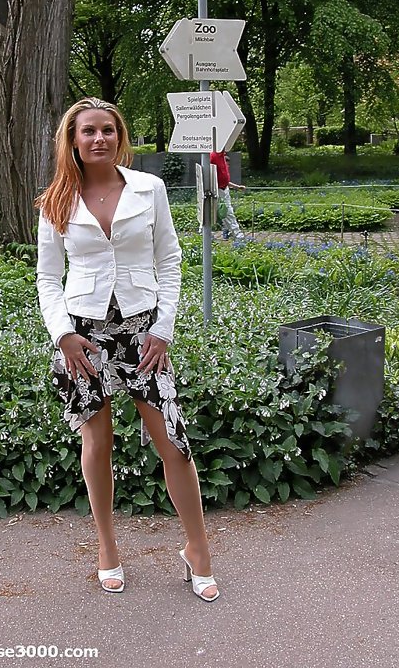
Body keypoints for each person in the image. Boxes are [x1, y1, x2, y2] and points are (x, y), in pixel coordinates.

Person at [35, 97, 219, 602]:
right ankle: (107, 547)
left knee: (173, 441)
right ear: (73, 140)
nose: (100, 139)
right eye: (89, 131)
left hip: (143, 334)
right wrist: (62, 335)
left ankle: (197, 548)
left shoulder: (148, 188)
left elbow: (171, 259)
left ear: (120, 137)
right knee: (97, 443)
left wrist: (164, 328)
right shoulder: (56, 200)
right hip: (82, 337)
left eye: (108, 130)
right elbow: (48, 278)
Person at [209, 150, 245, 240]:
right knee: (214, 211)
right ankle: (236, 234)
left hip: (224, 189)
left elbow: (224, 178)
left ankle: (234, 232)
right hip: (216, 189)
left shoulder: (222, 156)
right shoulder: (213, 156)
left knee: (227, 211)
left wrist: (236, 186)